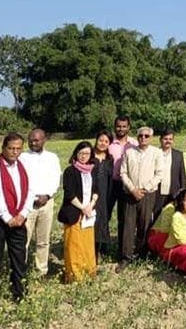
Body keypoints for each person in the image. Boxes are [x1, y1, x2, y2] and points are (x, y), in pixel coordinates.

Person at [0, 133, 34, 311]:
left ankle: (19, 291)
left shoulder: (24, 166)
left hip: (19, 219)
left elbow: (29, 191)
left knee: (19, 257)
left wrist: (23, 214)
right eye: (11, 148)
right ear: (3, 148)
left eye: (18, 148)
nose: (14, 152)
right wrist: (7, 217)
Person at [118, 126, 163, 272]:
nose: (143, 138)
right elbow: (123, 172)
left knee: (144, 224)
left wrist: (146, 188)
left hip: (148, 193)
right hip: (131, 193)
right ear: (137, 137)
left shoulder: (156, 153)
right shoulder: (129, 152)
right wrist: (132, 189)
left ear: (151, 138)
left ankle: (141, 254)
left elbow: (159, 174)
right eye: (140, 136)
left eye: (146, 136)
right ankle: (126, 257)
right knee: (128, 225)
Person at [19, 128, 61, 277]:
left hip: (46, 203)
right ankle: (20, 271)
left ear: (44, 140)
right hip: (27, 204)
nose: (33, 143)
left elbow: (56, 178)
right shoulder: (22, 157)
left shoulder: (52, 157)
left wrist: (47, 195)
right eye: (30, 140)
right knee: (23, 239)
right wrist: (31, 198)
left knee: (43, 240)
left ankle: (41, 271)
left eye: (36, 140)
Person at [57, 141, 99, 283]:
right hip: (74, 213)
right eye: (81, 153)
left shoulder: (93, 170)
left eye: (87, 153)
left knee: (87, 244)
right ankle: (74, 275)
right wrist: (83, 208)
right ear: (76, 154)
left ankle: (89, 271)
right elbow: (69, 193)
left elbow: (96, 190)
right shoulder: (70, 171)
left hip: (88, 214)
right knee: (74, 245)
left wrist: (91, 205)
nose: (83, 156)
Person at [108, 116, 138, 239]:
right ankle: (103, 246)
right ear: (115, 127)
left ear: (129, 127)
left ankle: (122, 245)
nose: (121, 129)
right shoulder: (109, 143)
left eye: (124, 126)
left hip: (127, 184)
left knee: (124, 217)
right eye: (119, 126)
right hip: (111, 183)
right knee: (105, 214)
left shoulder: (135, 144)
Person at [91, 130, 114, 258]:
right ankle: (91, 250)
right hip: (91, 194)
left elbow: (110, 179)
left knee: (103, 219)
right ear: (96, 140)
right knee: (92, 220)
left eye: (106, 141)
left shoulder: (110, 159)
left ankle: (102, 247)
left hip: (105, 194)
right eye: (101, 140)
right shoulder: (89, 155)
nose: (103, 143)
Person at [156, 129, 186, 221]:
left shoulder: (178, 155)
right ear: (160, 139)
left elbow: (182, 174)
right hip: (157, 192)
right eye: (165, 139)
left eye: (170, 139)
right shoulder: (154, 153)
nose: (168, 141)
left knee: (173, 217)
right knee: (157, 217)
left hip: (174, 192)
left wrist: (183, 191)